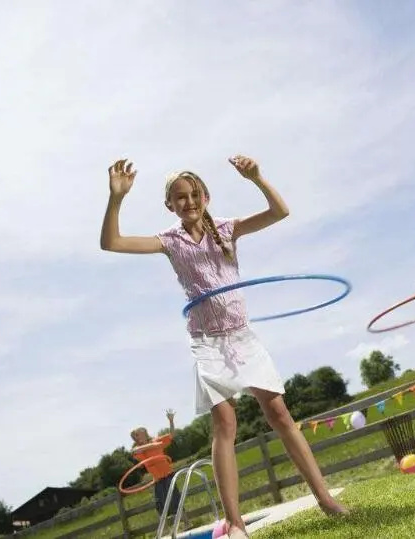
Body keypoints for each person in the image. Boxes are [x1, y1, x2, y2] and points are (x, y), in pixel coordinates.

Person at [100, 156, 348, 539]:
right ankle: (235, 522)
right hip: (207, 342)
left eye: (194, 194)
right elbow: (111, 243)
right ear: (170, 205)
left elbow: (279, 211)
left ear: (206, 196)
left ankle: (325, 498)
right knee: (226, 423)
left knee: (279, 412)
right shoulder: (170, 241)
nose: (189, 202)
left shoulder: (228, 229)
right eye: (179, 197)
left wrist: (257, 177)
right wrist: (116, 198)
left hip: (242, 335)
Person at [130, 409, 187, 523]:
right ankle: (164, 530)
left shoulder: (157, 441)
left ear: (145, 434)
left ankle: (186, 522)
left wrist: (171, 421)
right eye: (136, 436)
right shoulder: (140, 451)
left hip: (168, 475)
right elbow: (135, 450)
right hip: (157, 480)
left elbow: (172, 434)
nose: (138, 437)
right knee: (160, 505)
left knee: (175, 500)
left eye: (140, 434)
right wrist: (153, 445)